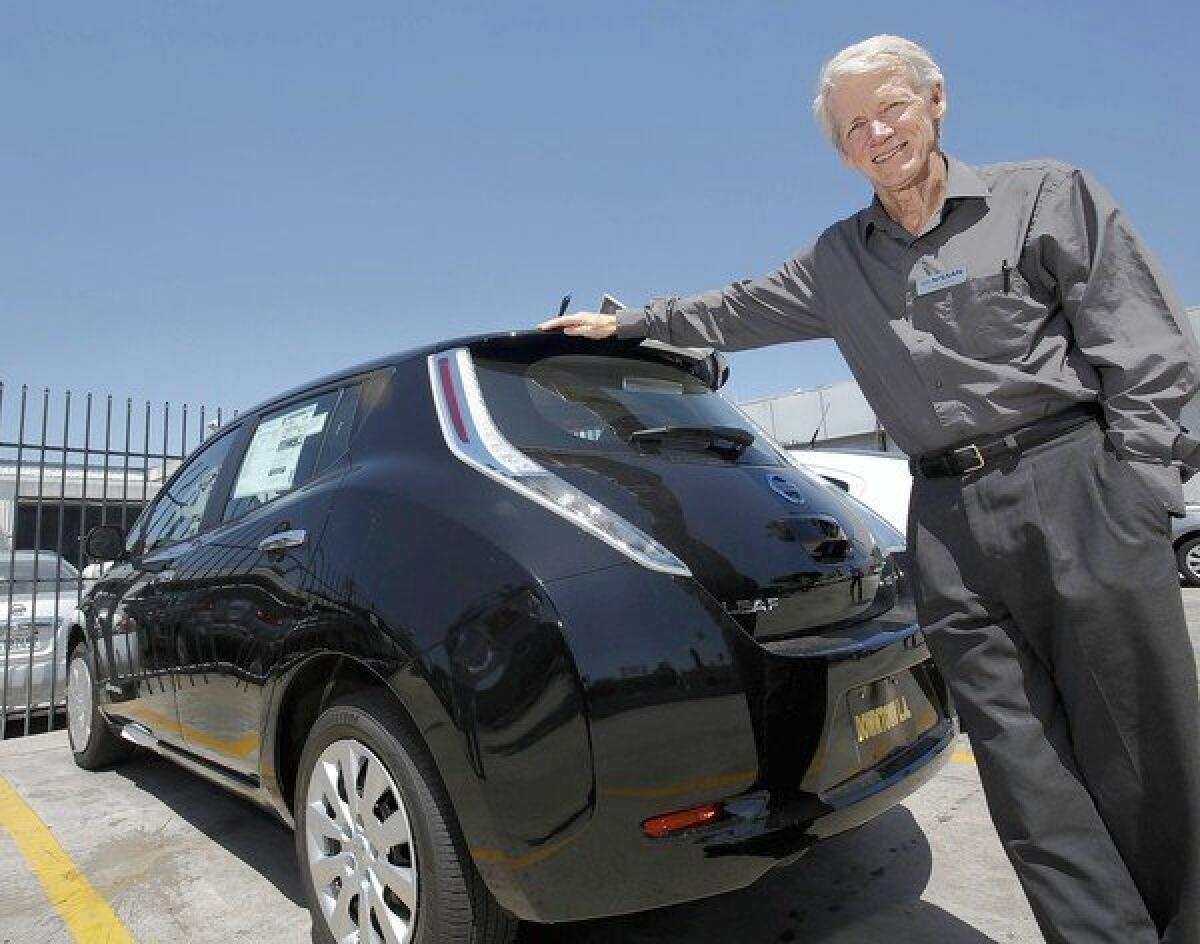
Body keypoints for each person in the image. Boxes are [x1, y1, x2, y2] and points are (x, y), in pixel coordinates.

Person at [538, 34, 1200, 944]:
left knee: (1144, 747)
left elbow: (1147, 345)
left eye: (889, 107)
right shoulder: (837, 259)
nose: (876, 133)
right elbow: (734, 306)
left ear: (936, 100)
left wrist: (1142, 488)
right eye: (853, 127)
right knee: (1021, 766)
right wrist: (626, 325)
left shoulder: (1044, 194)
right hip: (948, 527)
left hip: (1076, 485)